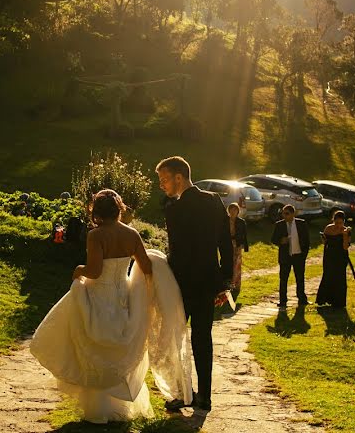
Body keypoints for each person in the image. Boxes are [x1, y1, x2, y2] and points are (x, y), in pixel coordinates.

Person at [31, 190, 194, 424]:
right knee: (117, 350)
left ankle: (98, 409)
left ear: (96, 212)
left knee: (94, 347)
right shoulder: (132, 234)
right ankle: (117, 408)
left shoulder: (96, 235)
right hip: (123, 296)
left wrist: (79, 270)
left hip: (100, 294)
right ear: (119, 209)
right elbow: (146, 267)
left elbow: (95, 271)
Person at [155, 156, 232, 413]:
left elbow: (177, 252)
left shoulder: (173, 209)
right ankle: (205, 397)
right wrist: (224, 282)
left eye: (164, 179)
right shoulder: (214, 201)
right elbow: (225, 243)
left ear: (179, 177)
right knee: (202, 339)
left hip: (182, 284)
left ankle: (182, 394)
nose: (162, 185)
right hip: (209, 281)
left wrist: (161, 273)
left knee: (175, 339)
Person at [271, 204, 310, 309]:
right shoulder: (279, 225)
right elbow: (273, 239)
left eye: (287, 213)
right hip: (285, 256)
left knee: (300, 278)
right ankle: (283, 300)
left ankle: (302, 299)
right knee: (283, 279)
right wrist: (281, 241)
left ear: (293, 214)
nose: (284, 216)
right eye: (283, 213)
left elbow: (306, 241)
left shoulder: (301, 224)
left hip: (298, 255)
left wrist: (303, 256)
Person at [316, 210, 351, 309]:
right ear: (333, 220)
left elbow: (345, 247)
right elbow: (325, 242)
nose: (338, 225)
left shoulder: (346, 231)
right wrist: (323, 238)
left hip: (340, 257)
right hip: (329, 256)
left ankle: (338, 302)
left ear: (344, 222)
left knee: (339, 278)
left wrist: (345, 235)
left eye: (341, 223)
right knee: (328, 275)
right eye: (336, 223)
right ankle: (324, 299)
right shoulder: (328, 228)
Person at [227, 202, 249, 301]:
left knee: (237, 265)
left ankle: (236, 285)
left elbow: (244, 234)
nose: (233, 212)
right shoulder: (225, 221)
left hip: (237, 245)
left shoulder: (241, 222)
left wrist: (245, 246)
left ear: (238, 212)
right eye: (231, 210)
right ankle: (229, 283)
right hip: (227, 245)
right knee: (228, 264)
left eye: (235, 210)